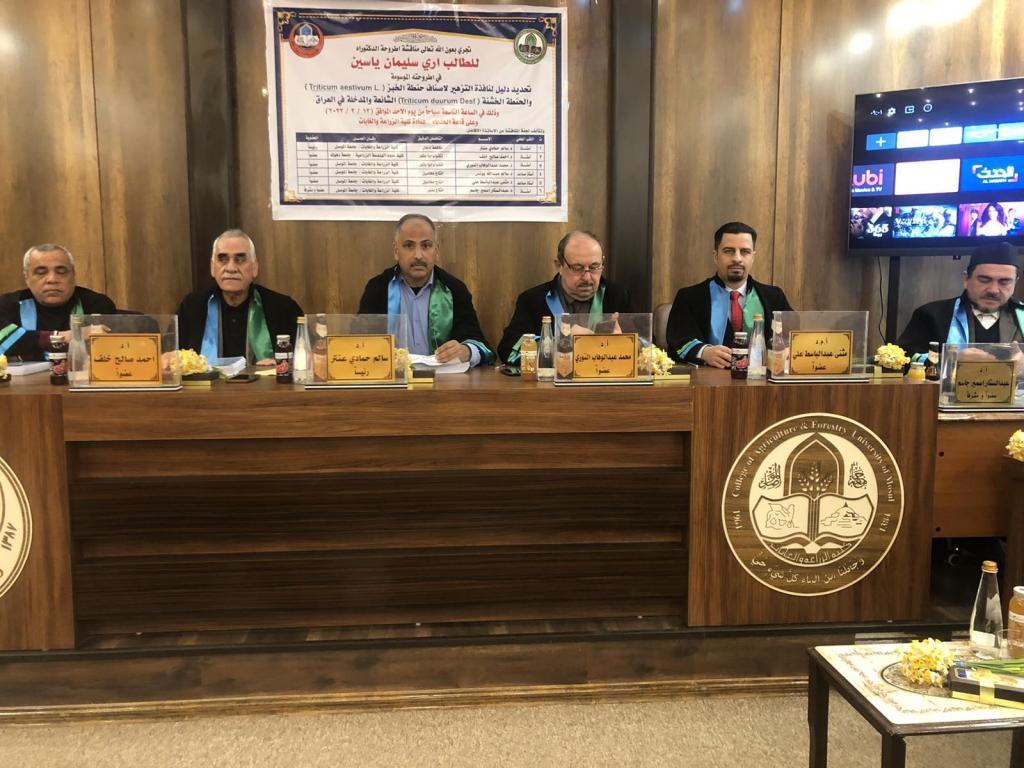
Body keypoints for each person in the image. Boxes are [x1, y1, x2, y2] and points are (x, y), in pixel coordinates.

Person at [357, 214, 492, 366]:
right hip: (394, 377)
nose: (418, 256)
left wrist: (467, 351)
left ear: (436, 251)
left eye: (426, 246)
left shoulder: (454, 289)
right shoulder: (378, 288)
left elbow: (479, 344)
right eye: (409, 246)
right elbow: (359, 343)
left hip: (442, 378)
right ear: (396, 251)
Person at [666, 221, 793, 367]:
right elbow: (678, 341)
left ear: (753, 257)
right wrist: (704, 352)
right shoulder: (689, 298)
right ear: (716, 256)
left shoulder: (774, 297)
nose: (737, 258)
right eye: (728, 251)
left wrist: (787, 349)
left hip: (761, 378)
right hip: (709, 378)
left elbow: (792, 337)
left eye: (745, 251)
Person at [496, 231, 632, 363]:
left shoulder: (618, 296)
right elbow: (508, 351)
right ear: (559, 266)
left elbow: (643, 347)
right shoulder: (533, 300)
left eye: (594, 267)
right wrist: (559, 344)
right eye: (577, 268)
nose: (587, 277)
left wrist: (625, 343)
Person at [177, 229, 303, 363]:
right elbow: (173, 357)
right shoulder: (191, 307)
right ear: (212, 268)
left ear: (254, 268)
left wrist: (279, 366)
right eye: (222, 259)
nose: (231, 268)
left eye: (240, 259)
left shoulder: (283, 309)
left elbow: (305, 358)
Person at [898, 241, 1024, 360]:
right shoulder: (931, 315)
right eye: (984, 280)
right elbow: (903, 358)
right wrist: (950, 360)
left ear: (1015, 282)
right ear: (966, 279)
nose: (993, 290)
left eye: (1004, 282)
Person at [0, 243, 116, 360]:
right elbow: (4, 340)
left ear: (73, 275)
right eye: (41, 272)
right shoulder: (7, 305)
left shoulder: (96, 304)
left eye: (61, 272)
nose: (52, 279)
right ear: (26, 277)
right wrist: (69, 336)